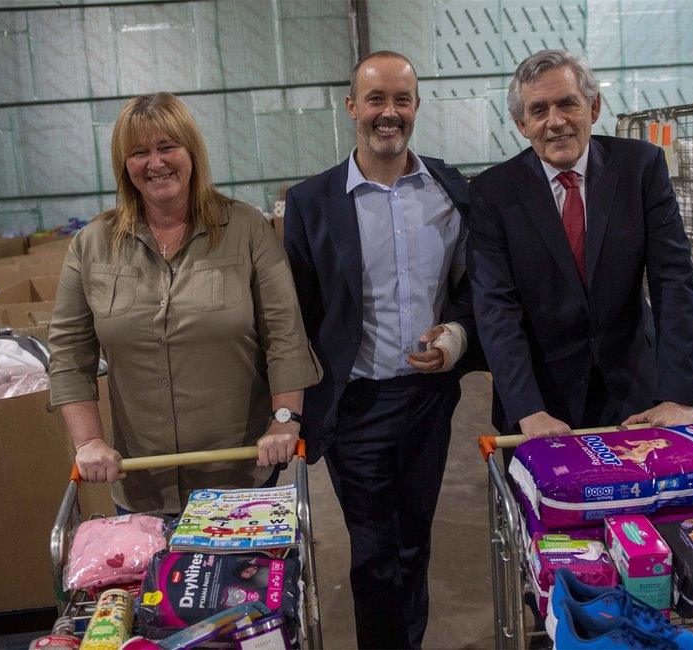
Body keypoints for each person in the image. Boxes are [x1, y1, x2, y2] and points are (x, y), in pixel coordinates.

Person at [283, 51, 478, 649]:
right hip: (355, 404)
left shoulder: (451, 191)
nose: (388, 113)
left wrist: (455, 337)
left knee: (414, 539)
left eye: (401, 100)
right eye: (375, 100)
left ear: (416, 107)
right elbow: (296, 313)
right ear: (352, 108)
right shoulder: (313, 202)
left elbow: (474, 292)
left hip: (429, 399)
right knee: (373, 549)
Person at [48, 92, 322, 515]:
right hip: (141, 483)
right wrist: (89, 441)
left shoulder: (247, 229)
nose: (155, 163)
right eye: (138, 152)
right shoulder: (92, 245)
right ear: (125, 165)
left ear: (191, 150)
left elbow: (285, 334)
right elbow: (68, 354)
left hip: (239, 481)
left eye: (166, 147)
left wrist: (283, 422)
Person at [467, 49, 693, 442]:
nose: (555, 122)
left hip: (634, 396)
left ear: (593, 107)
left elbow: (673, 280)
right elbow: (495, 308)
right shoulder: (494, 193)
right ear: (521, 124)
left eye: (567, 104)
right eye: (538, 110)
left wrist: (677, 396)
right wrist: (527, 408)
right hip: (541, 402)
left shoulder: (640, 168)